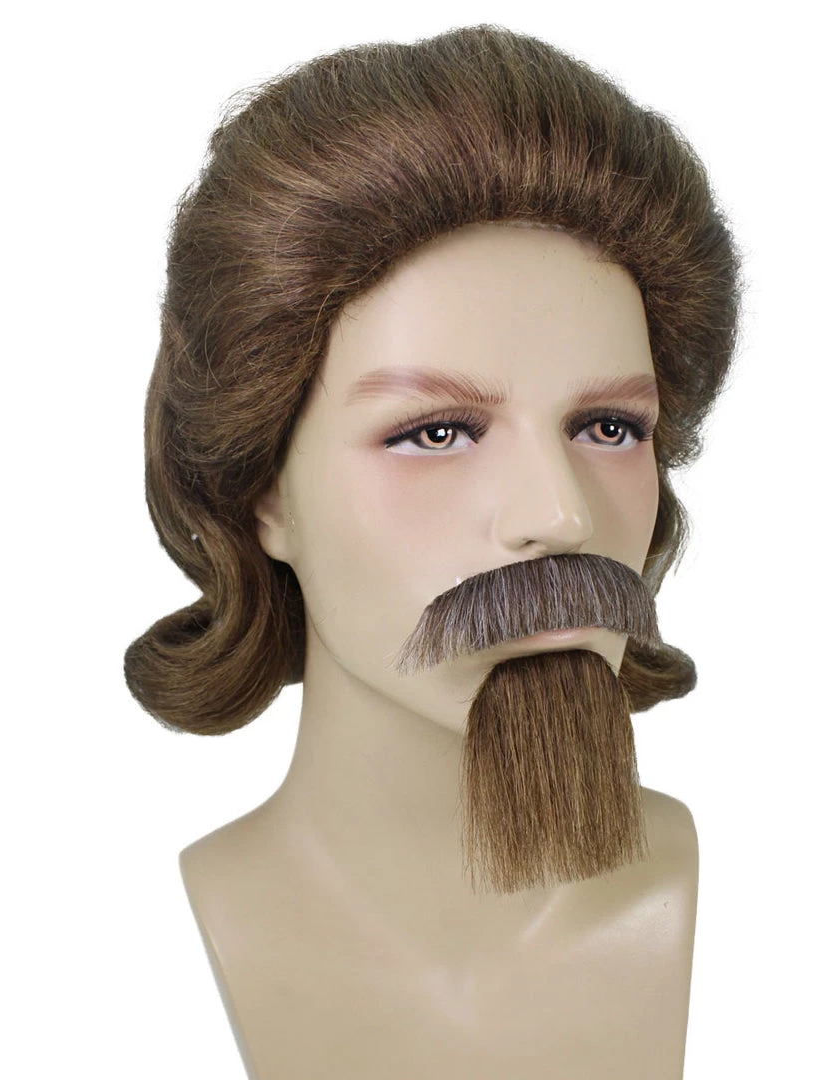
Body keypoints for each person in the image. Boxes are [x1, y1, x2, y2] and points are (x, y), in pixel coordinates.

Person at [125, 24, 740, 1079]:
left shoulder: (814, 919)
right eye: (436, 433)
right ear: (263, 492)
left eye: (608, 427)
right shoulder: (92, 973)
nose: (558, 517)